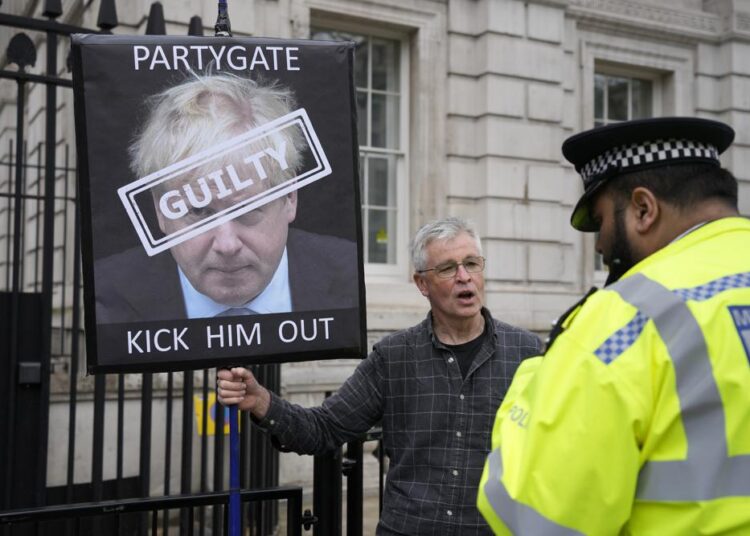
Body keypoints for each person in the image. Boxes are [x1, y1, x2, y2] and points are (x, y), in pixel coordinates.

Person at [477, 117, 750, 534]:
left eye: (602, 220)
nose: (601, 243)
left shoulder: (625, 319)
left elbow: (534, 519)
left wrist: (539, 376)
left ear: (643, 209)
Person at [218, 216, 542, 535]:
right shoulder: (394, 356)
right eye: (447, 268)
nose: (464, 277)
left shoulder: (527, 353)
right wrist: (261, 401)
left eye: (472, 263)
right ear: (422, 284)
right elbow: (324, 429)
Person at [94, 73, 357, 323]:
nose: (227, 245)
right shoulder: (108, 291)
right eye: (199, 211)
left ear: (289, 197)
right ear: (161, 211)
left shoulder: (350, 275)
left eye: (248, 208)